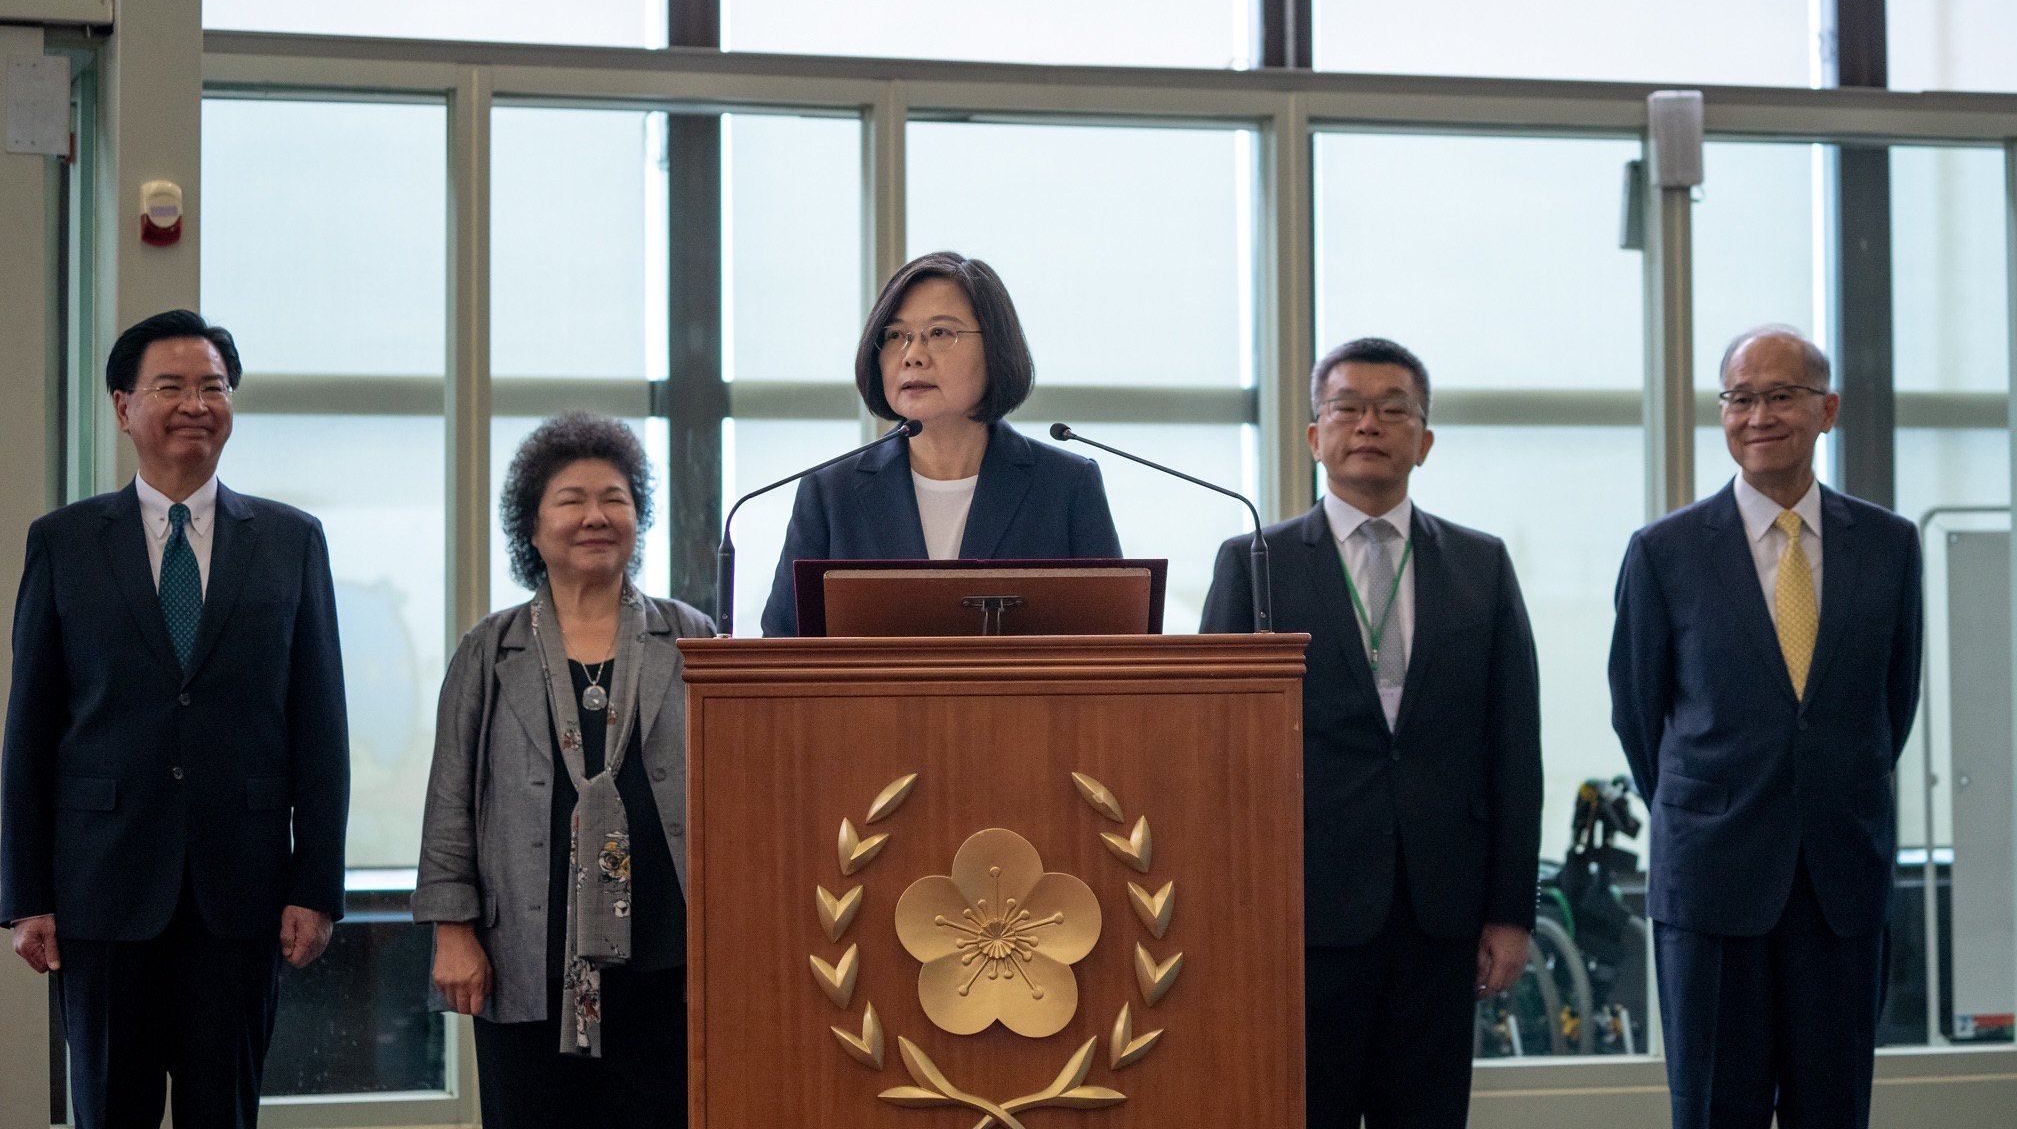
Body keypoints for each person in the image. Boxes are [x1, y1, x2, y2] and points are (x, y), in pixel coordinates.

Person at [0, 309, 349, 1128]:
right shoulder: (65, 542)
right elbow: (30, 729)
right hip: (102, 889)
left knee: (221, 1112)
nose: (197, 404)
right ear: (125, 407)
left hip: (242, 889)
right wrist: (26, 895)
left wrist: (316, 886)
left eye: (213, 387)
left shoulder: (292, 542)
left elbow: (320, 726)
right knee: (108, 1110)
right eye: (172, 387)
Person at [1201, 336, 1541, 1127]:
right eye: (1346, 408)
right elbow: (1217, 754)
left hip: (1441, 912)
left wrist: (1509, 911)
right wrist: (1231, 910)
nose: (1368, 425)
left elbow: (1513, 748)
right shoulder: (1254, 563)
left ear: (1423, 442)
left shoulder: (1480, 566)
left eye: (1394, 411)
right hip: (1301, 911)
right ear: (1313, 436)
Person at [1609, 326, 1922, 1129]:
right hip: (1712, 882)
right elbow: (1639, 716)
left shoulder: (1887, 546)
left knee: (1833, 1108)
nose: (1759, 415)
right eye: (1739, 398)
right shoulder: (1662, 552)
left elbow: (1892, 705)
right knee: (1716, 1109)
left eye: (1780, 395)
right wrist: (1711, 805)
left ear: (1827, 410)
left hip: (1838, 882)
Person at [414, 412, 712, 1128]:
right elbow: (451, 794)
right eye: (570, 499)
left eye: (614, 498)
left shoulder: (691, 636)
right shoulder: (491, 648)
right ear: (533, 523)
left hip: (669, 950)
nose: (594, 516)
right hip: (526, 949)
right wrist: (452, 928)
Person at [759, 250, 1123, 634]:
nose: (912, 355)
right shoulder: (831, 492)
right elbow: (779, 652)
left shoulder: (1065, 487)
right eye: (895, 335)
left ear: (995, 348)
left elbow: (1116, 651)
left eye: (940, 333)